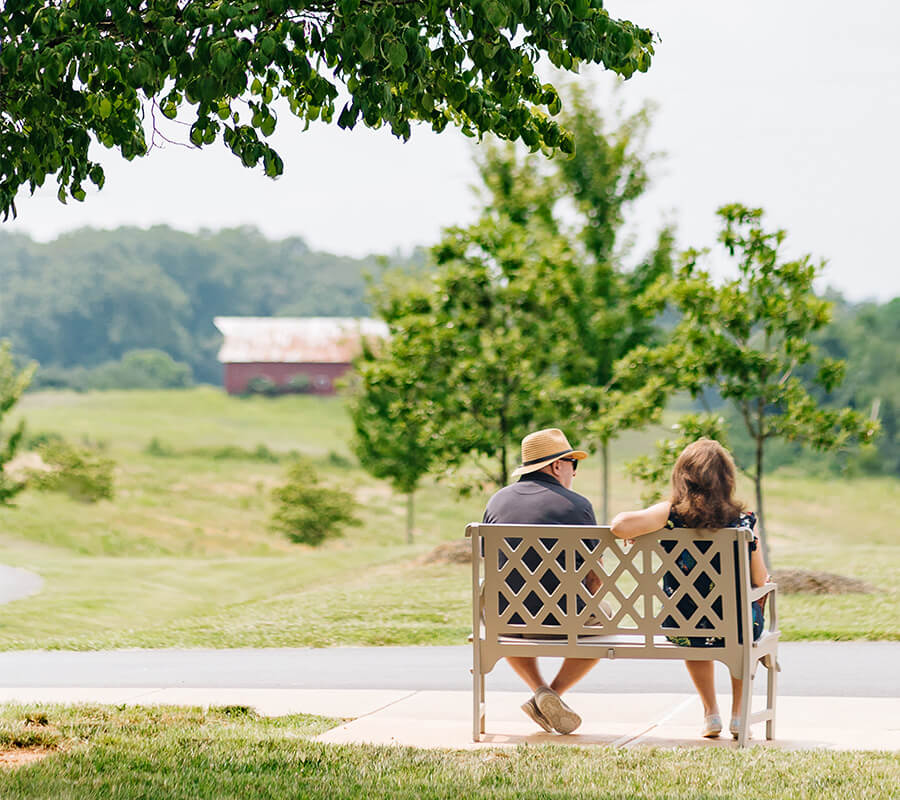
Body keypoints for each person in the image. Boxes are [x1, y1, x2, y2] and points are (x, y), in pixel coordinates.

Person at [610, 438, 770, 740]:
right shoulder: (745, 522)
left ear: (682, 478)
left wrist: (643, 529)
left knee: (693, 621)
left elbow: (619, 526)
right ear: (726, 480)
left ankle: (711, 713)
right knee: (743, 632)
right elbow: (760, 579)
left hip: (683, 622)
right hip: (736, 626)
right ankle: (739, 715)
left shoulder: (669, 515)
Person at [482, 427, 601, 735]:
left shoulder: (496, 502)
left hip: (506, 617)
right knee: (604, 624)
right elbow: (595, 574)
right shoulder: (577, 505)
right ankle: (553, 694)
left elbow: (490, 562)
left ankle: (540, 690)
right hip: (565, 617)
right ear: (556, 465)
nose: (574, 472)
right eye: (573, 464)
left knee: (503, 617)